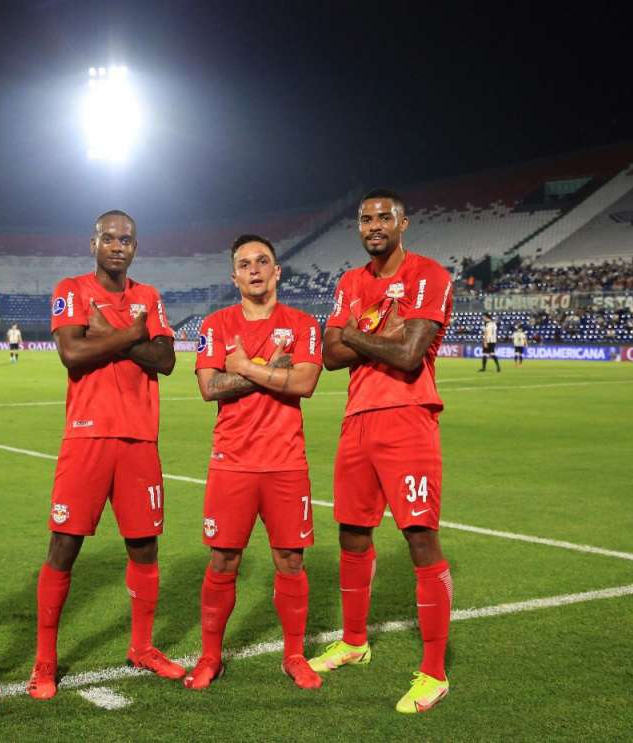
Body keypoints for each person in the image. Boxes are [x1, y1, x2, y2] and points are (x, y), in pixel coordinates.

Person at [309, 188, 454, 714]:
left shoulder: (428, 274)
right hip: (357, 422)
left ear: (403, 223)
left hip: (409, 419)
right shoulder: (350, 281)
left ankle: (434, 673)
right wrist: (378, 332)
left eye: (383, 217)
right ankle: (354, 641)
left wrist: (356, 332)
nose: (374, 224)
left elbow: (410, 354)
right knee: (351, 533)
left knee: (419, 538)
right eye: (365, 218)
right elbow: (328, 355)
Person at [28, 210, 182, 700]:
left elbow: (167, 360)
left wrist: (109, 336)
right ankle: (44, 663)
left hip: (139, 439)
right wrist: (135, 333)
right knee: (65, 545)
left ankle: (141, 647)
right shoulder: (69, 288)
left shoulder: (149, 296)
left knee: (144, 546)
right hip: (86, 437)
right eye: (110, 238)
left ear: (136, 247)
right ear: (92, 241)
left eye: (127, 240)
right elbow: (73, 353)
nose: (118, 246)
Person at [186, 235, 323, 690]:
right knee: (223, 560)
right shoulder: (217, 323)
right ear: (234, 277)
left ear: (278, 270)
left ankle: (294, 655)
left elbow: (303, 383)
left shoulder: (303, 324)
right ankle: (210, 657)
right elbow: (209, 388)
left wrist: (243, 366)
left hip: (286, 461)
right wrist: (271, 371)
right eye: (244, 264)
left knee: (290, 560)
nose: (254, 269)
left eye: (263, 261)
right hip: (232, 461)